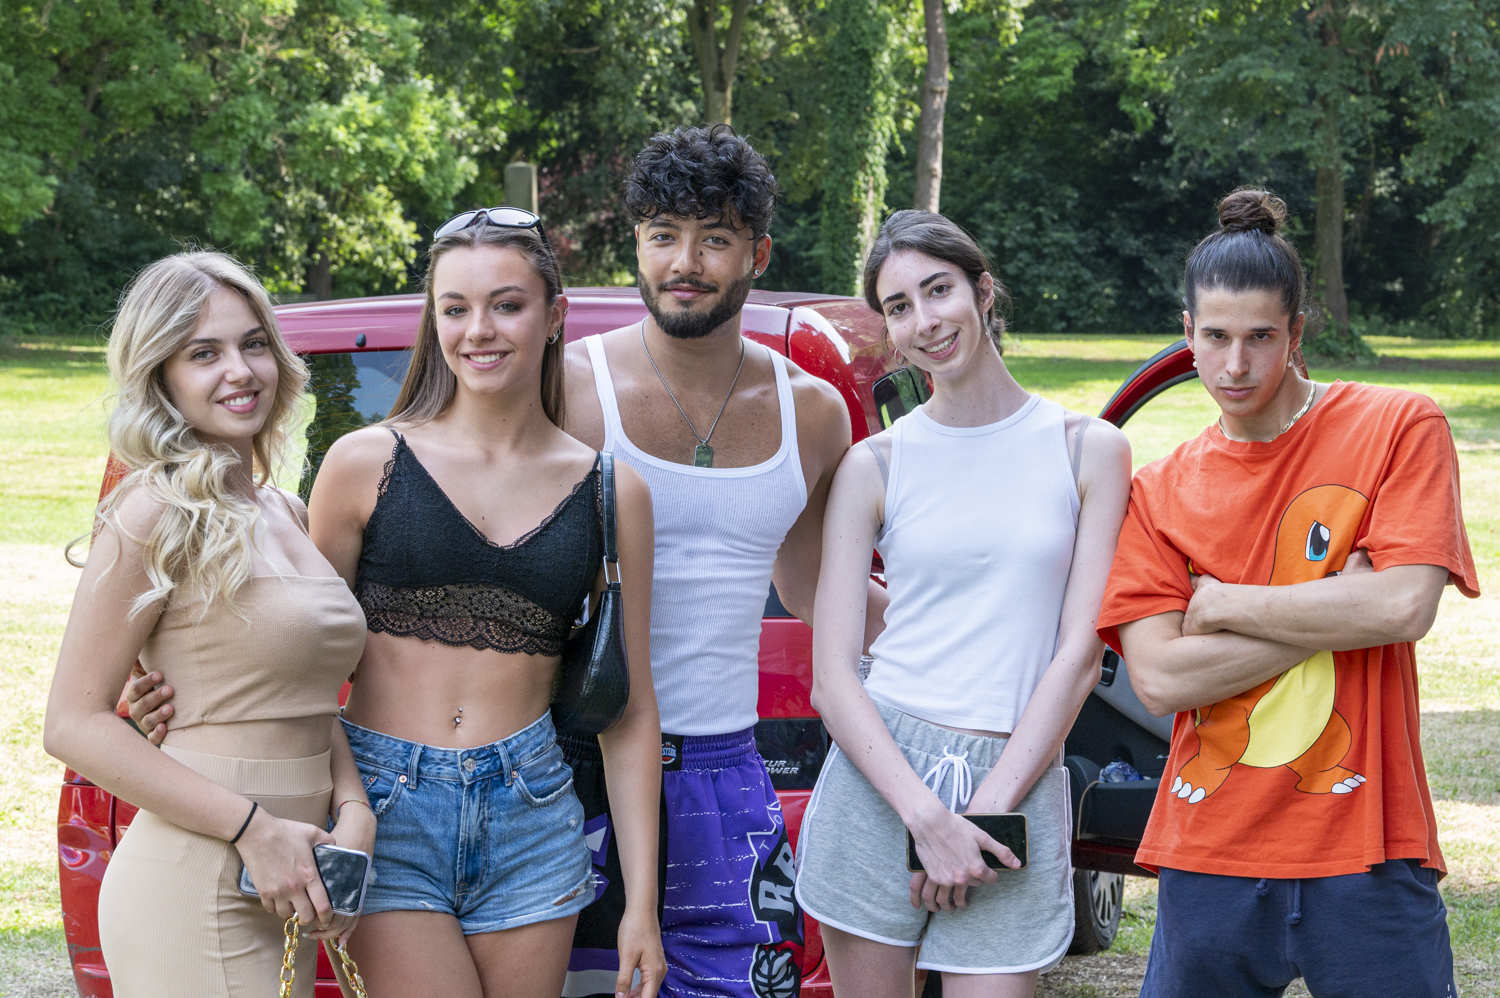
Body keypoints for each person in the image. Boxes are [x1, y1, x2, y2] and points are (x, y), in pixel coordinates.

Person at [130, 215, 667, 998]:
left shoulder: (613, 493)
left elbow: (631, 710)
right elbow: (289, 648)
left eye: (506, 305)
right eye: (455, 309)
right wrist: (162, 680)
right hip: (382, 807)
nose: (478, 331)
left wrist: (640, 907)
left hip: (532, 809)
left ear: (555, 316)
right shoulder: (364, 464)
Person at [1097, 188, 1480, 998]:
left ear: (1297, 332)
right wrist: (1339, 605)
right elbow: (1160, 678)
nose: (1235, 366)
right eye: (1216, 337)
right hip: (1210, 847)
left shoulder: (1398, 427)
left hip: (1369, 841)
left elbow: (1404, 607)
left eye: (1261, 338)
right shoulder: (1159, 492)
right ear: (1187, 333)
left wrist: (1222, 604)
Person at [556, 124, 864, 998]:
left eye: (714, 239)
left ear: (757, 253)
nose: (684, 263)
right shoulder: (568, 389)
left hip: (726, 770)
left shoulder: (812, 413)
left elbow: (814, 589)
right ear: (637, 244)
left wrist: (979, 635)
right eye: (663, 235)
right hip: (573, 763)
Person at [791, 210, 1132, 996]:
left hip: (1015, 778)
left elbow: (1079, 657)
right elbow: (833, 679)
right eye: (899, 306)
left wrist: (981, 817)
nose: (925, 320)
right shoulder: (874, 465)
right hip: (883, 780)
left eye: (938, 290)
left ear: (983, 291)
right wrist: (927, 820)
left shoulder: (1089, 450)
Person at [44, 251, 371, 997]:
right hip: (195, 884)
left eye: (253, 343)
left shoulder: (287, 511)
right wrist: (256, 830)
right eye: (203, 353)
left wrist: (354, 811)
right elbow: (71, 723)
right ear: (160, 376)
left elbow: (308, 697)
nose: (240, 371)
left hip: (295, 876)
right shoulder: (152, 511)